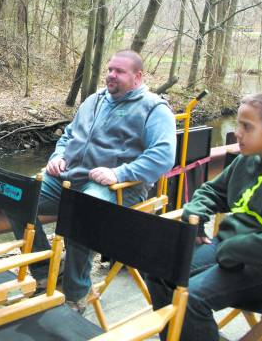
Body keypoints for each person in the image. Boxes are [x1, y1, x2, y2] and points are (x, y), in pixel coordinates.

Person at [9, 49, 177, 312]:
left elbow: (164, 155)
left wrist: (120, 173)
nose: (111, 75)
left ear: (137, 76)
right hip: (70, 176)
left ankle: (76, 293)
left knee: (83, 211)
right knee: (17, 195)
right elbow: (68, 135)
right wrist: (58, 155)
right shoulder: (94, 100)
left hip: (118, 188)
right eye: (109, 69)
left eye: (119, 71)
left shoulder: (154, 108)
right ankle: (45, 271)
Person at [148, 91, 262, 341]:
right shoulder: (247, 159)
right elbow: (213, 190)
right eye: (238, 124)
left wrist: (232, 249)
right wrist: (196, 211)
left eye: (246, 126)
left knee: (190, 299)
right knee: (159, 269)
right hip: (227, 250)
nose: (237, 133)